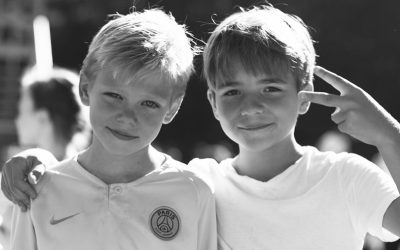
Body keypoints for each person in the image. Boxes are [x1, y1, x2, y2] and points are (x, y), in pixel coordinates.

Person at [3, 4, 400, 250]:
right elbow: (104, 178)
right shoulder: (202, 183)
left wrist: (389, 134)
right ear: (212, 101)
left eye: (271, 88)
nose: (252, 107)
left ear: (305, 94)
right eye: (231, 92)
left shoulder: (346, 177)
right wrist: (36, 159)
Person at [4, 8, 217, 250]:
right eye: (114, 96)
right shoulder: (38, 192)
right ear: (85, 87)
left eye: (148, 103)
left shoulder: (194, 191)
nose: (127, 117)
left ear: (172, 108)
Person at [14, 66, 91, 161]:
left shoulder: (31, 173)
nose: (17, 121)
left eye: (21, 112)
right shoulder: (86, 170)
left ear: (42, 118)